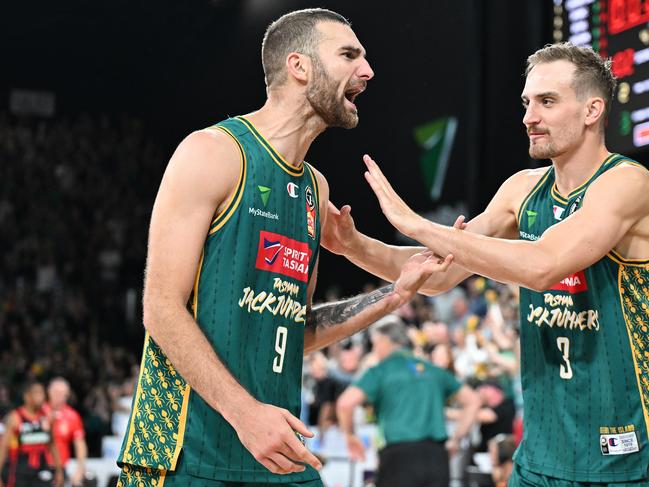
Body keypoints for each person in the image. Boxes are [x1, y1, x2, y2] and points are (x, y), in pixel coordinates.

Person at [116, 8, 453, 487]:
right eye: (348, 54)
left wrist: (394, 295)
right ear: (300, 66)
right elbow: (161, 309)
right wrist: (246, 413)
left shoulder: (316, 188)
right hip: (184, 454)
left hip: (277, 453)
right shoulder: (212, 152)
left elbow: (297, 328)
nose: (367, 70)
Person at [324, 42, 649, 485]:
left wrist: (414, 223)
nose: (528, 117)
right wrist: (353, 246)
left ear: (593, 110)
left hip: (623, 458)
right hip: (536, 459)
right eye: (527, 102)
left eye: (547, 102)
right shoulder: (521, 190)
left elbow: (544, 264)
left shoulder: (628, 182)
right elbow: (440, 276)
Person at [336, 315, 481, 487]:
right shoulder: (432, 369)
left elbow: (345, 403)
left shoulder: (381, 371)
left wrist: (350, 436)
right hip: (437, 458)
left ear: (384, 340)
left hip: (398, 457)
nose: (375, 351)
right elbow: (473, 400)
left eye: (375, 345)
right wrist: (456, 439)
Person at [0, 381, 64, 487]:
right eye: (36, 393)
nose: (40, 397)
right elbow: (3, 448)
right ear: (27, 396)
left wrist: (59, 470)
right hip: (19, 470)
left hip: (41, 469)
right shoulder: (16, 417)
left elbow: (52, 445)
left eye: (42, 393)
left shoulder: (47, 417)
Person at [44, 378, 87, 486]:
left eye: (64, 394)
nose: (60, 397)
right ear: (49, 392)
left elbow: (80, 444)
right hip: (38, 467)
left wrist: (80, 468)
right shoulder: (40, 412)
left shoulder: (72, 416)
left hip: (60, 468)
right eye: (56, 393)